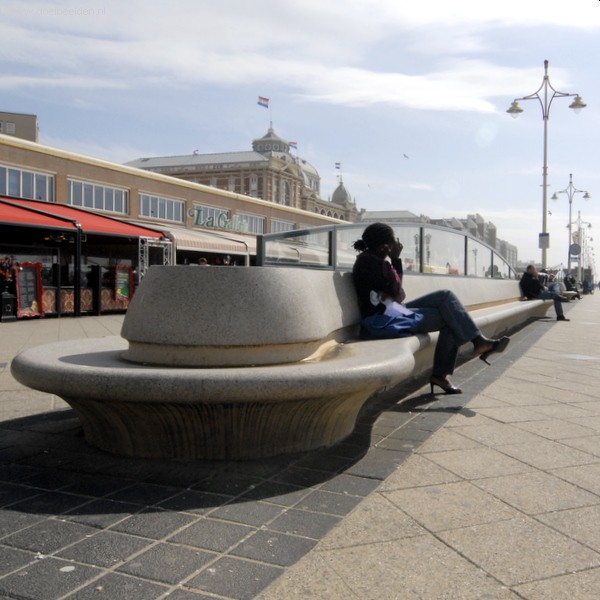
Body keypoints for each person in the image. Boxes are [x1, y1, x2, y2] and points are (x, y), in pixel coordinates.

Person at [352, 223, 510, 395]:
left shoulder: (374, 261)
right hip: (381, 321)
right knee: (450, 319)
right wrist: (396, 259)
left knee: (445, 296)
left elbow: (396, 295)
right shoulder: (370, 263)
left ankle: (477, 343)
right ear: (385, 246)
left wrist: (394, 276)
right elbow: (397, 294)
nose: (397, 244)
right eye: (393, 242)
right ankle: (446, 371)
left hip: (394, 311)